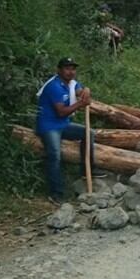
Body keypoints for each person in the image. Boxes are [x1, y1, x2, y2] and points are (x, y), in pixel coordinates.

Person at [36, 58, 95, 203]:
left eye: (73, 69)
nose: (71, 72)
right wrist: (81, 103)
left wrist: (86, 91)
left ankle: (86, 171)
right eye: (67, 68)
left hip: (63, 124)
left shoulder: (72, 83)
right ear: (59, 70)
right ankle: (56, 193)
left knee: (89, 133)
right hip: (49, 126)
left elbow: (80, 90)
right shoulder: (54, 86)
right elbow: (61, 112)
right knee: (55, 155)